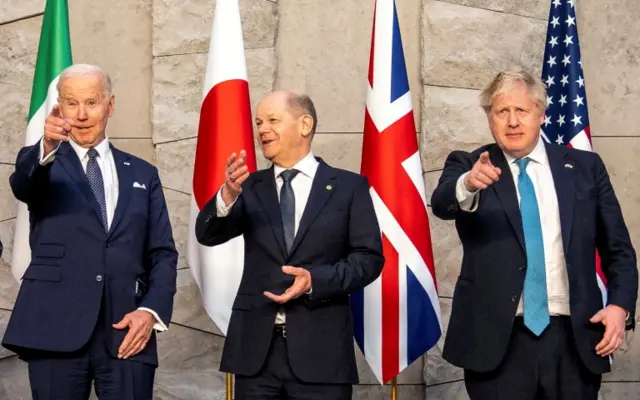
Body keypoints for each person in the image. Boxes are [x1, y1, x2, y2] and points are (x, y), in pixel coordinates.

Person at [431, 66, 637, 399]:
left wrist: (619, 307)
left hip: (574, 338)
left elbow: (618, 250)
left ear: (540, 114)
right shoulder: (469, 164)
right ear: (490, 119)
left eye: (521, 111)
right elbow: (442, 203)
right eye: (502, 112)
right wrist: (467, 183)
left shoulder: (585, 167)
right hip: (497, 342)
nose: (512, 121)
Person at [2, 64, 178, 399]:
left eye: (92, 103)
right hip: (54, 329)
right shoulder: (42, 161)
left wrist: (150, 311)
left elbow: (163, 253)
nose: (81, 115)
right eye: (72, 103)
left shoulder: (143, 173)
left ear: (110, 105)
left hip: (126, 331)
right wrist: (47, 147)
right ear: (60, 106)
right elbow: (23, 185)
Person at [195, 90, 384, 399]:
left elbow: (368, 259)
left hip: (321, 355)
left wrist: (315, 281)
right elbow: (208, 234)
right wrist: (227, 197)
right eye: (258, 122)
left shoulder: (348, 187)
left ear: (304, 124)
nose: (262, 130)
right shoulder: (249, 187)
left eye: (272, 120)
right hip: (256, 357)